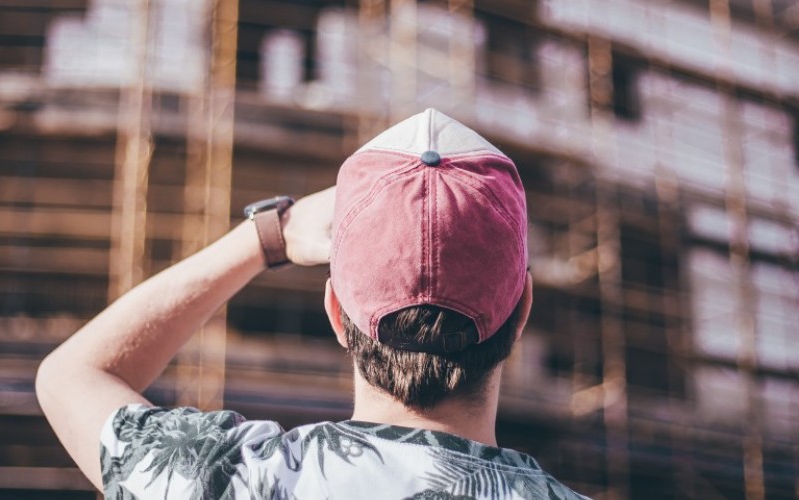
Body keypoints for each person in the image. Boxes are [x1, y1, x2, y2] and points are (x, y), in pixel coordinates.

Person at [36, 109, 589, 499]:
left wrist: (266, 237)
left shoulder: (227, 481)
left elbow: (71, 375)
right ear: (520, 314)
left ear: (336, 314)